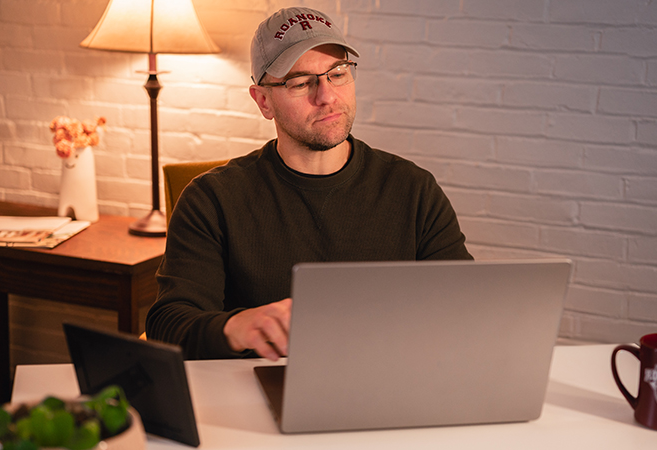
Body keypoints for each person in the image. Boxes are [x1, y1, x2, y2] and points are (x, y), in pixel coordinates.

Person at [145, 6, 472, 361]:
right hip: (258, 385)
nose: (326, 96)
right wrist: (235, 327)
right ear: (263, 101)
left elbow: (467, 306)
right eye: (301, 83)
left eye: (338, 73)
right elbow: (168, 324)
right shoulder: (212, 199)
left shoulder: (414, 190)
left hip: (390, 378)